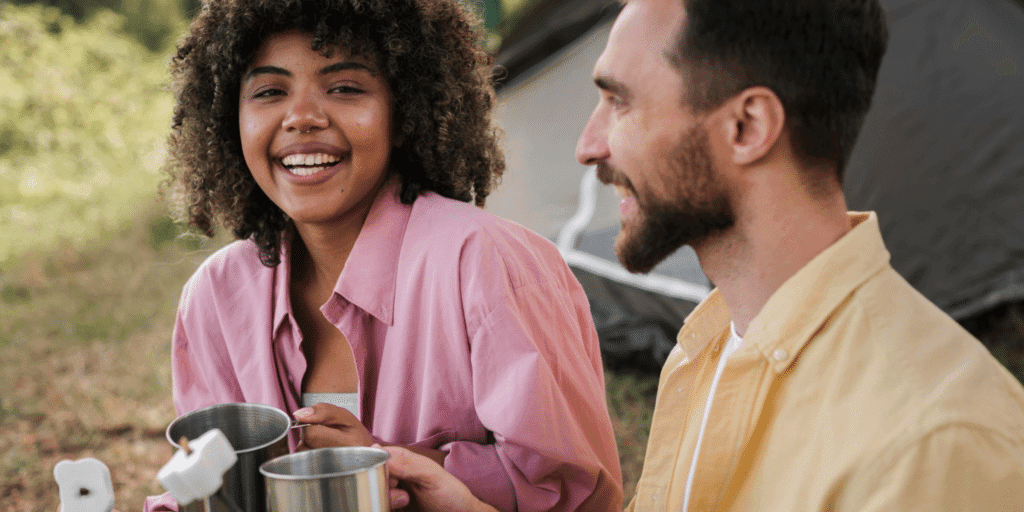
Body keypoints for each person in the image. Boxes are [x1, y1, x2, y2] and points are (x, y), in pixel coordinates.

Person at [383, 0, 1024, 510]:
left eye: (620, 101)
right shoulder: (712, 344)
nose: (588, 146)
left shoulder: (933, 445)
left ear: (747, 128)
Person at [144, 0, 623, 510]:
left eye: (344, 88)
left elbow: (574, 494)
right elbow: (207, 488)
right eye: (269, 92)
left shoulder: (491, 265)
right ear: (230, 119)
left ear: (404, 111)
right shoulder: (216, 297)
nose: (302, 118)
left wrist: (383, 465)